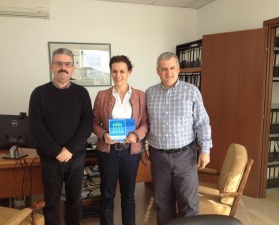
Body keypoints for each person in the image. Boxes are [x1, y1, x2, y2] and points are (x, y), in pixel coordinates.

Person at [145, 52, 212, 225]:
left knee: (188, 204)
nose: (169, 73)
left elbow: (203, 123)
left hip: (185, 156)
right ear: (157, 71)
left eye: (172, 68)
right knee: (162, 204)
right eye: (164, 69)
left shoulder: (191, 91)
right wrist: (140, 148)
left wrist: (205, 150)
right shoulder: (149, 94)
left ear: (179, 69)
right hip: (158, 156)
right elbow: (145, 124)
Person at [29, 48, 93, 225]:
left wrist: (70, 149)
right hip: (50, 158)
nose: (63, 67)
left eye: (67, 64)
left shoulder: (82, 93)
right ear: (52, 66)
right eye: (59, 63)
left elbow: (87, 124)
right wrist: (57, 151)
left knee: (74, 202)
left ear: (72, 68)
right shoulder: (39, 94)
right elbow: (36, 126)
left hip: (76, 157)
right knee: (51, 203)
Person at [93, 55, 148, 225]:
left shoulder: (139, 95)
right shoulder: (102, 95)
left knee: (128, 196)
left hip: (130, 153)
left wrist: (135, 135)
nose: (118, 75)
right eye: (114, 71)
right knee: (107, 195)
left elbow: (145, 123)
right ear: (110, 72)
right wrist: (103, 135)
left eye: (122, 71)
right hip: (108, 152)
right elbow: (94, 122)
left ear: (129, 72)